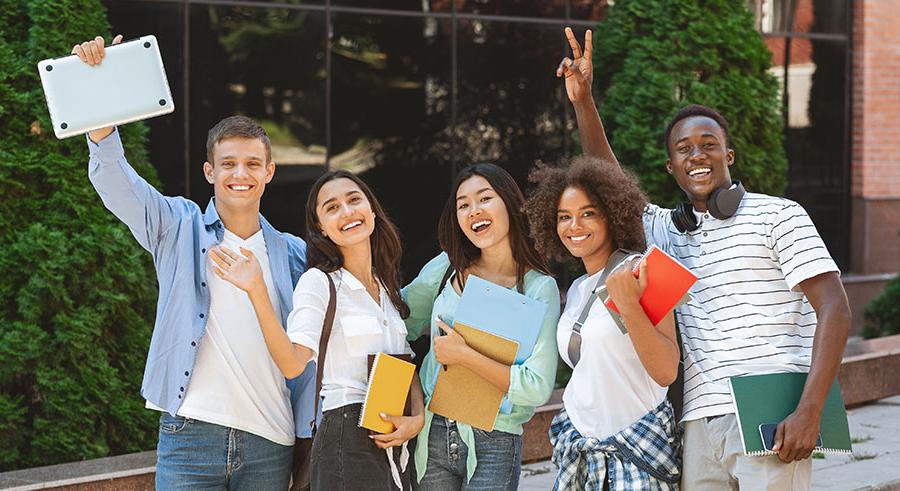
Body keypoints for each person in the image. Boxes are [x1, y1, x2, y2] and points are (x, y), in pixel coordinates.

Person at [558, 26, 852, 490]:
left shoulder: (780, 215)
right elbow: (607, 177)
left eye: (709, 145)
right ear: (670, 167)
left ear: (729, 154)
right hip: (697, 421)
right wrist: (582, 101)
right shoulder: (664, 231)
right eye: (684, 149)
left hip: (771, 411)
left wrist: (809, 412)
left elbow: (835, 308)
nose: (698, 155)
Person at [73, 35, 315, 489]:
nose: (239, 175)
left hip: (271, 442)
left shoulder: (295, 254)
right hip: (190, 437)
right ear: (210, 172)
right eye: (228, 164)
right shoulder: (176, 226)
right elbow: (116, 181)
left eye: (251, 164)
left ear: (269, 172)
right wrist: (98, 93)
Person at [209, 169, 426, 490]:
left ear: (372, 211)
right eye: (332, 207)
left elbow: (404, 364)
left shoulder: (386, 286)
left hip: (394, 442)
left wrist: (417, 419)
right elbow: (292, 363)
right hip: (346, 438)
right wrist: (257, 290)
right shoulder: (321, 283)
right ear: (321, 228)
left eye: (354, 200)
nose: (347, 211)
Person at [525, 156, 682, 490]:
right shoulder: (580, 288)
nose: (574, 225)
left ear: (612, 215)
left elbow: (667, 370)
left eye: (588, 213)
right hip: (583, 457)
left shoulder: (644, 272)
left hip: (637, 457)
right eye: (563, 217)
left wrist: (628, 304)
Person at [402, 163, 560, 490]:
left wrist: (464, 355)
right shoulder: (447, 267)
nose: (474, 210)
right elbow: (396, 323)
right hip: (433, 431)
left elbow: (537, 386)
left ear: (509, 203)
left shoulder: (538, 288)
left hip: (495, 438)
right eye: (463, 204)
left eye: (484, 198)